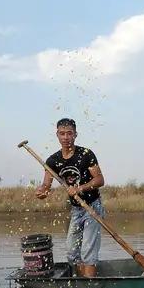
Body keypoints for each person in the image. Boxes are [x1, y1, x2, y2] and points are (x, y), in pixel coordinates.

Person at [35, 118, 105, 278]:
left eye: (69, 133)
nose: (66, 137)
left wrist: (79, 188)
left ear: (75, 135)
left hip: (92, 206)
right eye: (62, 134)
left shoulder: (86, 154)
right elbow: (46, 185)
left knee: (88, 251)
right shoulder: (53, 161)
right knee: (72, 253)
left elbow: (100, 180)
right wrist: (42, 191)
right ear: (57, 135)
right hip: (76, 209)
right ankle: (82, 284)